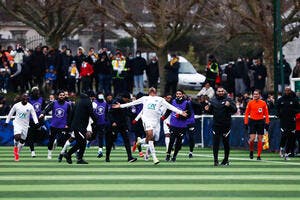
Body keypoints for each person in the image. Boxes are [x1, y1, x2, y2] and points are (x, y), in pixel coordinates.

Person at [113, 87, 187, 164]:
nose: (152, 89)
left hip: (156, 122)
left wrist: (181, 112)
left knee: (155, 138)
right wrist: (121, 106)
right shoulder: (144, 98)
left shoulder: (160, 99)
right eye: (151, 89)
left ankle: (140, 141)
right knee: (150, 136)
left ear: (156, 92)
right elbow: (133, 103)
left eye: (153, 88)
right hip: (147, 120)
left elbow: (170, 107)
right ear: (149, 92)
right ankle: (154, 158)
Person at [204, 87, 237, 166]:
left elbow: (235, 110)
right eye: (219, 91)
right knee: (215, 143)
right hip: (216, 125)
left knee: (226, 143)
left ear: (224, 91)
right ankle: (215, 160)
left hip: (226, 125)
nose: (220, 92)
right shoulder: (213, 100)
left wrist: (229, 106)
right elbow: (211, 111)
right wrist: (207, 109)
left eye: (222, 91)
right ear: (216, 92)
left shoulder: (229, 99)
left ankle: (226, 159)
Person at [63, 91, 97, 164]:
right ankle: (69, 154)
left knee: (81, 142)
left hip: (77, 126)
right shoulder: (88, 102)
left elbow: (72, 113)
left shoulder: (78, 101)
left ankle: (78, 158)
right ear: (92, 97)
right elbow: (91, 112)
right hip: (80, 126)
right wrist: (96, 122)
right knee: (82, 142)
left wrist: (69, 124)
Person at [5, 93, 39, 161]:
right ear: (21, 98)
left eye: (26, 98)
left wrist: (36, 122)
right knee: (17, 137)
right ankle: (15, 147)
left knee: (23, 141)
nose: (25, 99)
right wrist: (7, 121)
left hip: (25, 125)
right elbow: (11, 113)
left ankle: (17, 153)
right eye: (24, 98)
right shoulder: (16, 105)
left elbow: (34, 115)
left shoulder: (30, 106)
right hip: (17, 123)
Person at [39, 90, 72, 159]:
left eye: (63, 95)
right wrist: (42, 114)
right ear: (58, 96)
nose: (62, 96)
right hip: (54, 125)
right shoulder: (54, 103)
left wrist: (68, 124)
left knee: (63, 141)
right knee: (51, 140)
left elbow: (70, 116)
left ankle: (63, 154)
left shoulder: (68, 105)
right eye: (60, 95)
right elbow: (46, 109)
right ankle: (49, 154)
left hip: (63, 126)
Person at [107, 92, 137, 163]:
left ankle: (130, 157)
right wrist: (113, 122)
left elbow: (127, 113)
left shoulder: (125, 104)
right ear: (125, 98)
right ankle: (107, 156)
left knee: (126, 140)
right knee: (111, 140)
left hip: (123, 124)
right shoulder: (116, 102)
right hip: (115, 124)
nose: (128, 100)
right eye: (128, 99)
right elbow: (110, 113)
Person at [163, 90, 191, 162]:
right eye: (177, 94)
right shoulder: (172, 101)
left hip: (182, 126)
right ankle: (168, 154)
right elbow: (168, 111)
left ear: (182, 95)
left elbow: (189, 114)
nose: (178, 95)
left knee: (178, 142)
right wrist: (163, 117)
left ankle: (174, 156)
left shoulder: (186, 103)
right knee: (171, 140)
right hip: (173, 124)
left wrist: (181, 116)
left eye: (179, 94)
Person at [244, 89, 270, 160]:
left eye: (257, 94)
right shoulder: (250, 103)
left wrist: (267, 123)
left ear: (259, 95)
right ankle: (251, 151)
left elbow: (266, 114)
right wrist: (246, 123)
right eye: (254, 94)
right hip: (252, 121)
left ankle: (258, 155)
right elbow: (246, 113)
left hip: (260, 122)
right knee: (252, 139)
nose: (255, 95)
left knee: (260, 139)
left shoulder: (263, 103)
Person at [276, 87, 299, 159]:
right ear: (284, 91)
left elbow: (298, 109)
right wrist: (279, 114)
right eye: (286, 90)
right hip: (283, 121)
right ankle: (281, 148)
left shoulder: (294, 100)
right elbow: (277, 108)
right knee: (284, 136)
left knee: (290, 137)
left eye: (288, 90)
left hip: (292, 121)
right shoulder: (281, 100)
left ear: (290, 91)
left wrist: (292, 111)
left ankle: (287, 153)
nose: (287, 91)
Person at [27, 87, 46, 157]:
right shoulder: (29, 100)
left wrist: (43, 115)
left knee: (43, 131)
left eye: (37, 91)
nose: (36, 92)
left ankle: (36, 142)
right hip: (31, 120)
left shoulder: (41, 99)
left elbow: (44, 109)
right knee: (30, 135)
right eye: (34, 91)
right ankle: (32, 151)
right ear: (32, 92)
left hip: (39, 120)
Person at [92, 91, 109, 158]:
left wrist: (105, 120)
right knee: (92, 136)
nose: (101, 96)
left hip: (102, 123)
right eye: (100, 95)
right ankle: (80, 148)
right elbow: (91, 112)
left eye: (102, 94)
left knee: (101, 136)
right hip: (94, 123)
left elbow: (106, 112)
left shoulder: (105, 103)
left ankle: (100, 150)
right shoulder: (94, 103)